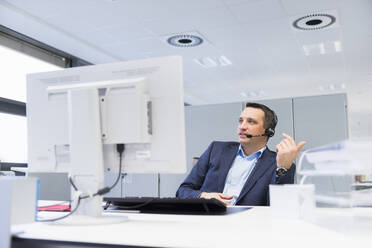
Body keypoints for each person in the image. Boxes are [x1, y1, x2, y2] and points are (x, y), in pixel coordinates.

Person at [176, 102, 306, 206]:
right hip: (207, 221)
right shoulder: (216, 149)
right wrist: (204, 196)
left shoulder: (278, 163)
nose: (242, 126)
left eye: (251, 121)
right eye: (240, 120)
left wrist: (283, 168)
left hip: (248, 229)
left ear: (268, 131)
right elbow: (182, 191)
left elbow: (279, 207)